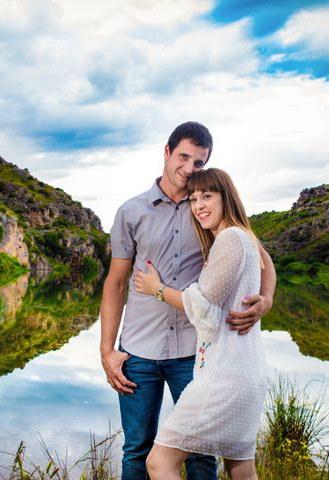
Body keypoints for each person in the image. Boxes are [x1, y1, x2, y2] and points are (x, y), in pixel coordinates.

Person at [100, 122, 276, 480]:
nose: (189, 167)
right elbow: (116, 283)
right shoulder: (132, 211)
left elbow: (262, 258)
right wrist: (107, 350)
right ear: (167, 153)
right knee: (136, 449)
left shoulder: (210, 209)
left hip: (195, 354)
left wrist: (266, 299)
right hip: (138, 351)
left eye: (199, 161)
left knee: (201, 455)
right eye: (184, 156)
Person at [133, 168, 267, 480]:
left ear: (226, 197)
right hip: (247, 373)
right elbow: (263, 265)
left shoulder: (231, 238)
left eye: (207, 196)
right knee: (242, 470)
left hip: (225, 375)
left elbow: (204, 307)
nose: (199, 205)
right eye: (194, 198)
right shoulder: (243, 237)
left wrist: (158, 289)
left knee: (159, 462)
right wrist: (267, 297)